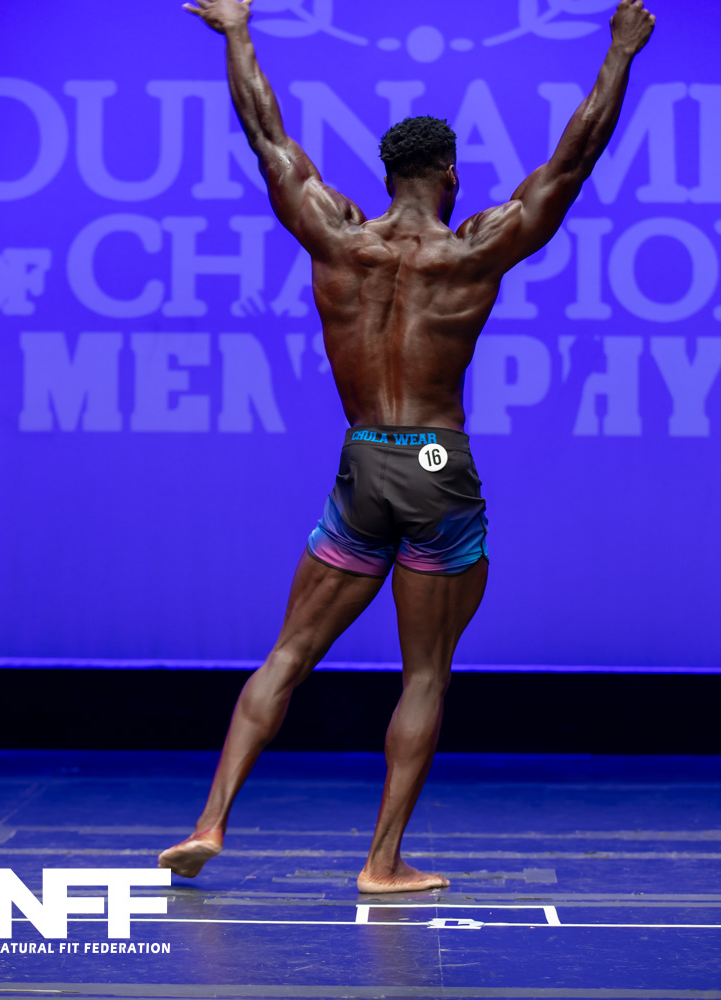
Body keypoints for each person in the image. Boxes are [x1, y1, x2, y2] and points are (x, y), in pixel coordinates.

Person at [158, 0, 656, 892]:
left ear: (386, 176)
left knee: (288, 654)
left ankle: (209, 823)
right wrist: (619, 52)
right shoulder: (471, 253)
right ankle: (381, 862)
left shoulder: (336, 236)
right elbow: (575, 157)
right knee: (425, 674)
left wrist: (237, 32)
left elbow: (266, 135)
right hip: (435, 463)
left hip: (364, 463)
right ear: (450, 175)